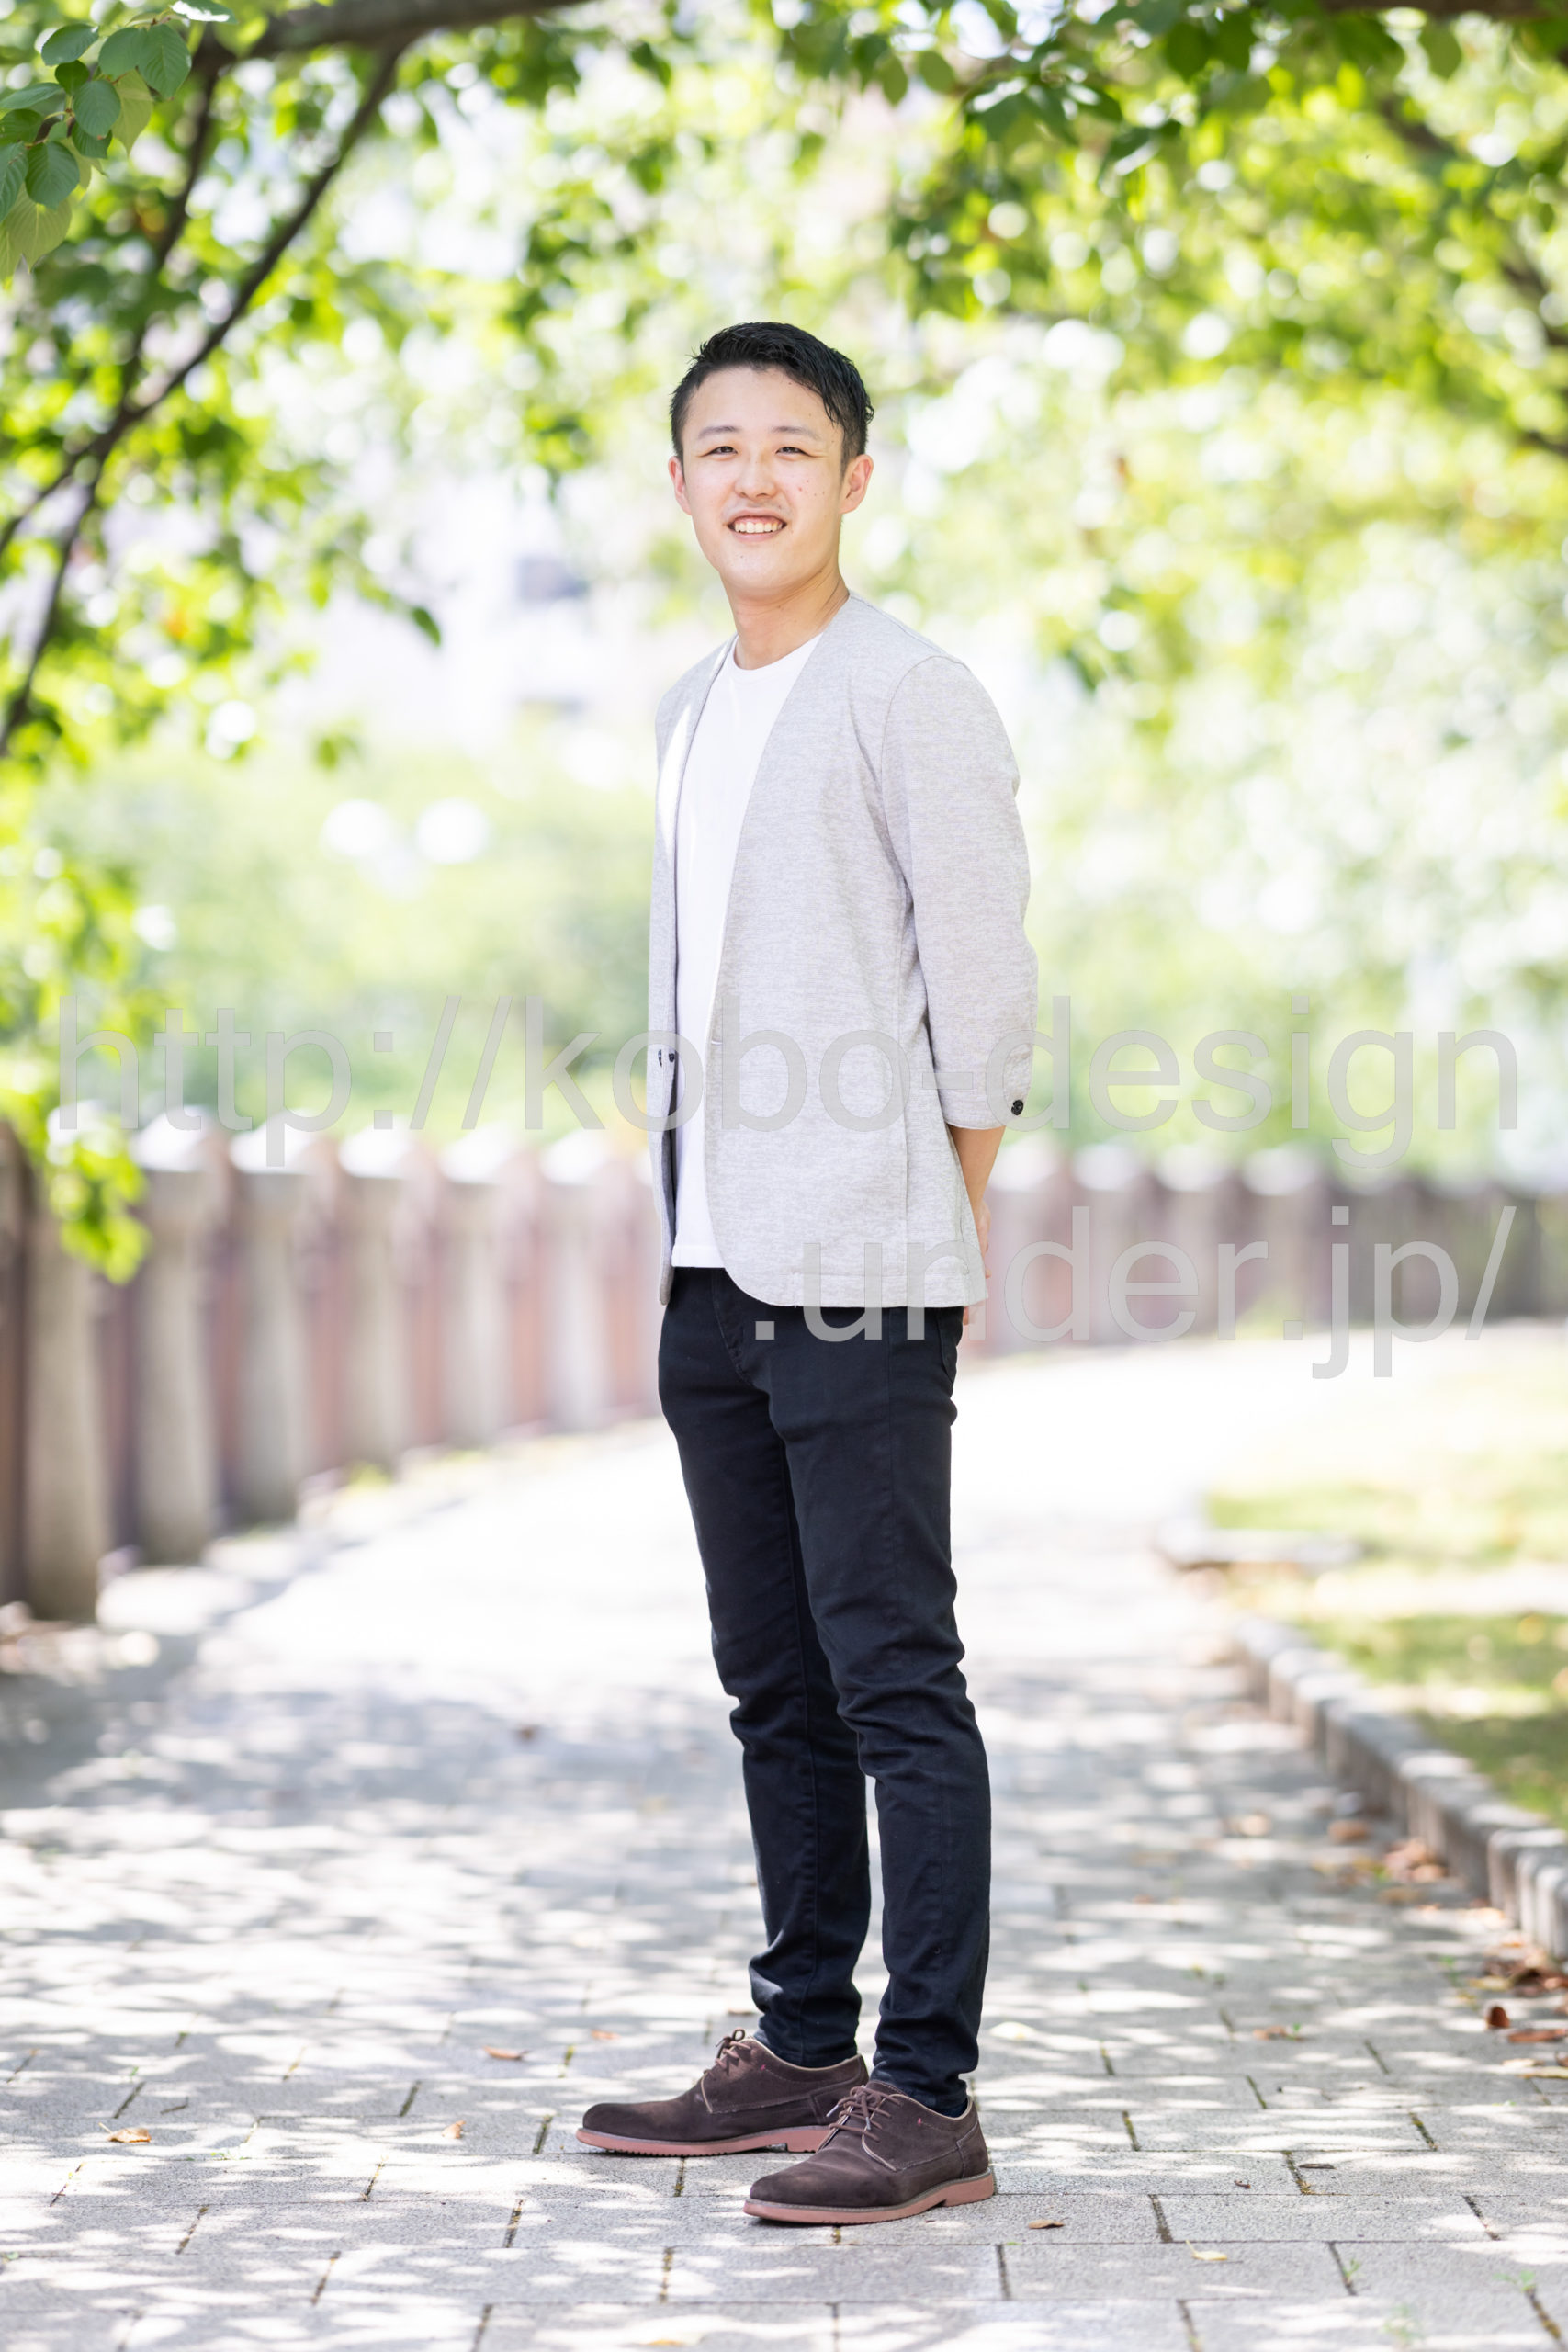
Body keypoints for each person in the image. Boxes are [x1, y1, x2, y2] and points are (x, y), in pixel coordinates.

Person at [577, 321, 1037, 2226]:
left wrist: (926, 1224)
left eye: (790, 445)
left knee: (893, 1673)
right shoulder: (689, 709)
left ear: (853, 478)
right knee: (775, 1683)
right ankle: (799, 2043)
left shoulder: (910, 693)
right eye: (719, 446)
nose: (752, 476)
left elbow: (985, 997)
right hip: (708, 1267)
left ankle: (925, 2092)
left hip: (858, 1266)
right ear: (680, 482)